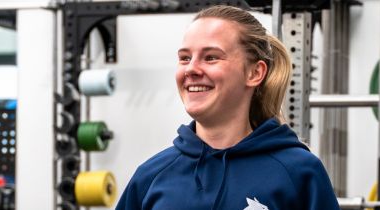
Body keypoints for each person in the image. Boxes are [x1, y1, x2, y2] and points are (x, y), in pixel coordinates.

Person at [116, 5, 340, 210]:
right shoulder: (151, 177)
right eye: (185, 58)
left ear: (254, 73)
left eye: (211, 57)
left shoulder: (298, 173)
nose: (191, 69)